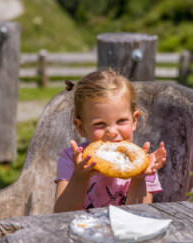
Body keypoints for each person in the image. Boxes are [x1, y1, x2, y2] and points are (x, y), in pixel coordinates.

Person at [54, 69, 166, 213]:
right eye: (100, 123)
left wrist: (138, 179)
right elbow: (61, 214)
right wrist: (80, 177)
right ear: (81, 127)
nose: (112, 132)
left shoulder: (142, 163)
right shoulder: (73, 159)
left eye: (121, 121)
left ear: (134, 120)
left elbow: (139, 216)